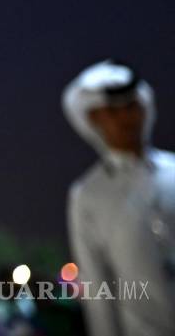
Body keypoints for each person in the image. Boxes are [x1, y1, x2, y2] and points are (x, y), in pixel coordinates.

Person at [63, 58, 175, 336]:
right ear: (94, 118)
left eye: (131, 106)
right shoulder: (87, 196)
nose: (126, 118)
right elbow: (98, 291)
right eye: (113, 111)